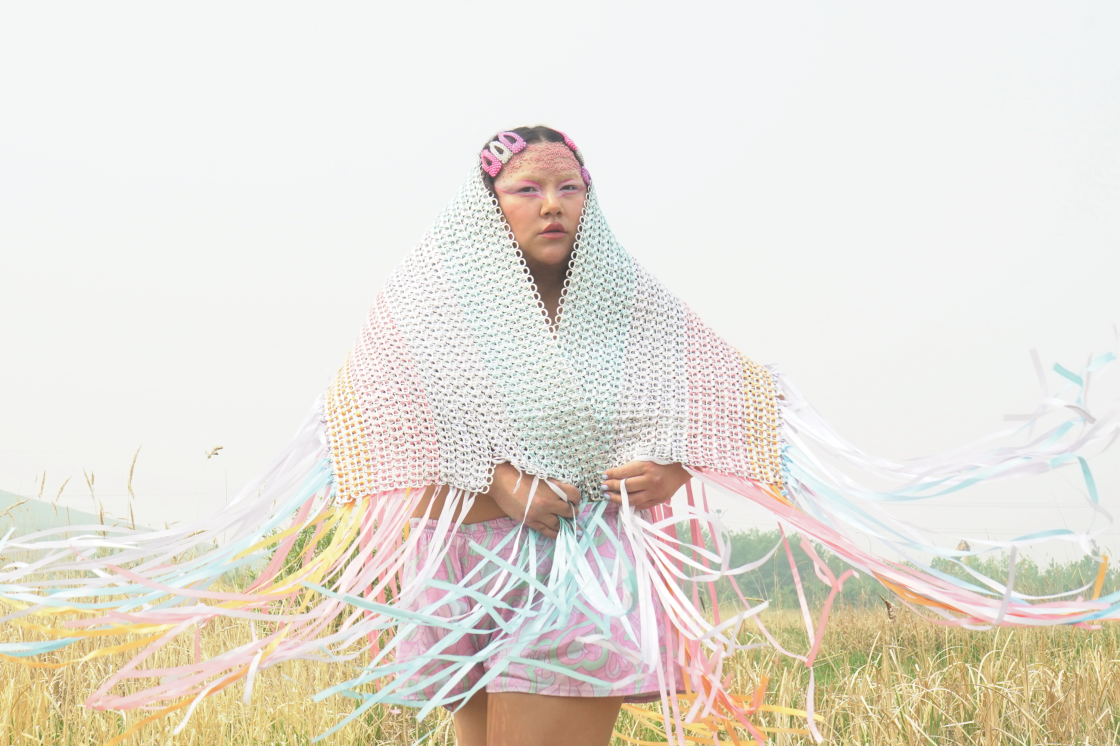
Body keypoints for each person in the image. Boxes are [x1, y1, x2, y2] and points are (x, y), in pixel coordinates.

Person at [2, 125, 1118, 746]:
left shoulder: (629, 303)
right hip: (462, 571)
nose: (553, 204)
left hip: (574, 576)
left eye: (572, 187)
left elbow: (711, 403)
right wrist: (491, 475)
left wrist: (669, 463)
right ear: (488, 204)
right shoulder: (429, 302)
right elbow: (386, 417)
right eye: (529, 187)